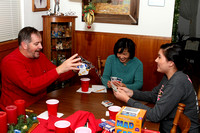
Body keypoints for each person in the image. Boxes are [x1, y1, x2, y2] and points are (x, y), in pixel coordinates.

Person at [113, 43, 199, 132]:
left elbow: (155, 116)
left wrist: (127, 99)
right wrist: (131, 93)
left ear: (171, 63)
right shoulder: (169, 76)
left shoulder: (177, 82)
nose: (156, 60)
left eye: (159, 57)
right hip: (168, 124)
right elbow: (154, 95)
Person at [0, 27, 82, 110]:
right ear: (24, 45)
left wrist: (73, 69)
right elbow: (31, 87)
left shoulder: (39, 56)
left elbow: (57, 76)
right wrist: (59, 69)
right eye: (36, 44)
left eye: (40, 43)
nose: (41, 47)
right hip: (16, 111)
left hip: (39, 104)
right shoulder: (10, 62)